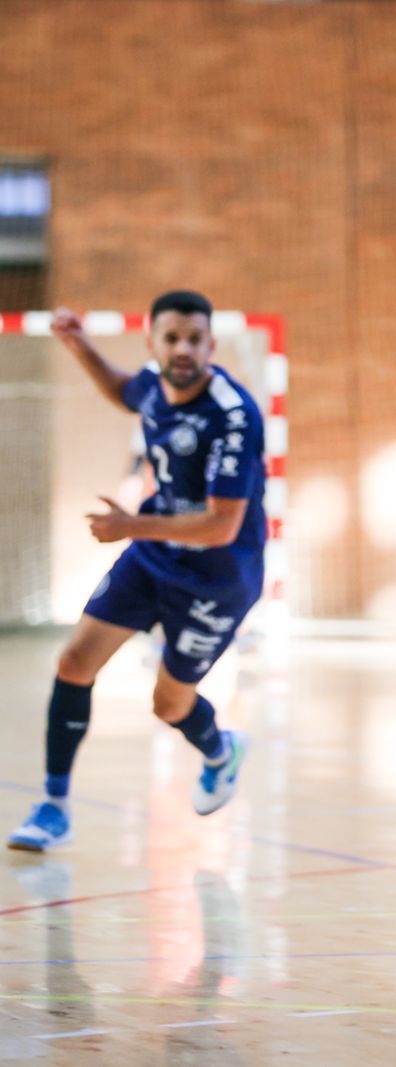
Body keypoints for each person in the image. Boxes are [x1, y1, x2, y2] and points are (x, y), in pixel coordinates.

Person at [7, 292, 262, 851]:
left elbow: (221, 526)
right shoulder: (152, 383)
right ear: (153, 343)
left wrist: (129, 526)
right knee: (74, 662)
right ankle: (53, 807)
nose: (183, 349)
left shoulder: (234, 416)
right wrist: (80, 348)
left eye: (194, 339)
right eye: (171, 338)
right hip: (153, 556)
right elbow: (126, 392)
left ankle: (221, 749)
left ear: (210, 345)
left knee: (168, 704)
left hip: (216, 579)